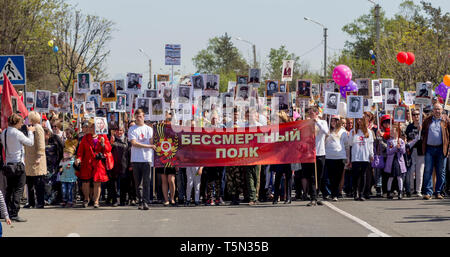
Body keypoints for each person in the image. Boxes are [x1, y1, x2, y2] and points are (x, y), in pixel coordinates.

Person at [1, 114, 36, 222]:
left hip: (8, 164)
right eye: (21, 123)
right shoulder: (17, 133)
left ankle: (5, 212)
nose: (22, 125)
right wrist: (30, 131)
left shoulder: (4, 132)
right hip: (18, 165)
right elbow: (30, 143)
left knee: (9, 189)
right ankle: (14, 213)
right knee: (18, 189)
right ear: (16, 123)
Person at [75, 119, 111, 208]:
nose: (90, 128)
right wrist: (78, 159)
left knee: (97, 182)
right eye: (90, 127)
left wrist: (103, 144)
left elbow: (108, 149)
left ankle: (96, 201)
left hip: (98, 162)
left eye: (92, 127)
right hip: (87, 162)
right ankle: (86, 199)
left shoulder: (102, 137)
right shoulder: (85, 137)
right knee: (85, 182)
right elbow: (80, 152)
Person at [128, 109, 156, 210]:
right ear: (135, 117)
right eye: (137, 116)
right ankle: (140, 201)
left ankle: (145, 202)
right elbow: (134, 143)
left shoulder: (149, 129)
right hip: (136, 159)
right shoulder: (132, 129)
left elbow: (152, 141)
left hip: (147, 159)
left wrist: (156, 137)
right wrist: (149, 146)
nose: (139, 118)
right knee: (138, 183)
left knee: (147, 182)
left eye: (140, 116)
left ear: (144, 117)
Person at [421, 103, 449, 200]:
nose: (437, 111)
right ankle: (428, 192)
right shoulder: (427, 120)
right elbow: (422, 132)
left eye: (439, 109)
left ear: (442, 110)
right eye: (435, 109)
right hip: (429, 149)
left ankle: (438, 192)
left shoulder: (446, 120)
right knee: (428, 170)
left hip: (442, 149)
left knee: (441, 171)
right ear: (433, 111)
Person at [302, 107, 329, 206]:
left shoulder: (323, 122)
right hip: (310, 153)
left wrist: (316, 121)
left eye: (311, 113)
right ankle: (313, 197)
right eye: (309, 113)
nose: (310, 115)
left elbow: (326, 132)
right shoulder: (307, 123)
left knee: (319, 176)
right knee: (313, 176)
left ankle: (316, 196)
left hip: (320, 152)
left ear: (316, 113)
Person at [24, 112, 47, 209]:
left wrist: (39, 156)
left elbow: (41, 143)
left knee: (38, 182)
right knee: (30, 182)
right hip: (30, 158)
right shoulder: (32, 127)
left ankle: (40, 202)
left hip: (37, 158)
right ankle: (31, 202)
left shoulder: (38, 128)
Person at [348, 118, 374, 201]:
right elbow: (350, 144)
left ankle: (361, 194)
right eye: (357, 119)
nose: (359, 121)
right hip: (356, 157)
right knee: (355, 176)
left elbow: (370, 145)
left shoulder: (368, 132)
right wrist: (352, 135)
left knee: (363, 175)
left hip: (364, 157)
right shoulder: (353, 131)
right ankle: (355, 192)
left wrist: (371, 154)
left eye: (361, 119)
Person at [325, 115, 349, 201]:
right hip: (329, 156)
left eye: (335, 120)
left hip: (340, 156)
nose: (333, 122)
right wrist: (326, 136)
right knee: (331, 176)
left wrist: (348, 157)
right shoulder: (327, 130)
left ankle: (335, 193)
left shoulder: (343, 131)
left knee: (338, 176)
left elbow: (346, 145)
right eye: (332, 120)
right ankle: (333, 193)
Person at [272, 111, 293, 204]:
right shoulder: (275, 129)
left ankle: (288, 197)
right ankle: (276, 197)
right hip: (278, 156)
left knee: (288, 177)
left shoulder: (289, 128)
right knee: (278, 177)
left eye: (279, 119)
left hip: (288, 155)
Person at [108, 126, 130, 207]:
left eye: (120, 130)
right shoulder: (112, 140)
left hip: (124, 165)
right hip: (114, 165)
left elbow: (130, 153)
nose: (119, 132)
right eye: (117, 130)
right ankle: (114, 200)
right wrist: (111, 143)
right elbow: (108, 150)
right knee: (114, 185)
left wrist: (130, 165)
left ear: (123, 131)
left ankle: (123, 200)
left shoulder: (127, 140)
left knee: (124, 184)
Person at [405, 109, 424, 197]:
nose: (416, 116)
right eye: (414, 115)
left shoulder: (423, 126)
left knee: (419, 171)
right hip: (412, 151)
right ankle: (411, 189)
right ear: (412, 116)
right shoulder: (409, 127)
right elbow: (406, 138)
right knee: (411, 170)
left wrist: (421, 130)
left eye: (417, 114)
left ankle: (418, 190)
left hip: (421, 151)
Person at [385, 127, 407, 199]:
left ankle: (400, 192)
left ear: (397, 132)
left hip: (398, 161)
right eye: (391, 131)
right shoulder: (389, 141)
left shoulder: (401, 141)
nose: (391, 133)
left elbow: (403, 151)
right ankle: (388, 191)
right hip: (391, 162)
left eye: (393, 131)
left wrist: (399, 147)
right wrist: (395, 148)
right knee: (391, 177)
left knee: (399, 177)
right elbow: (388, 151)